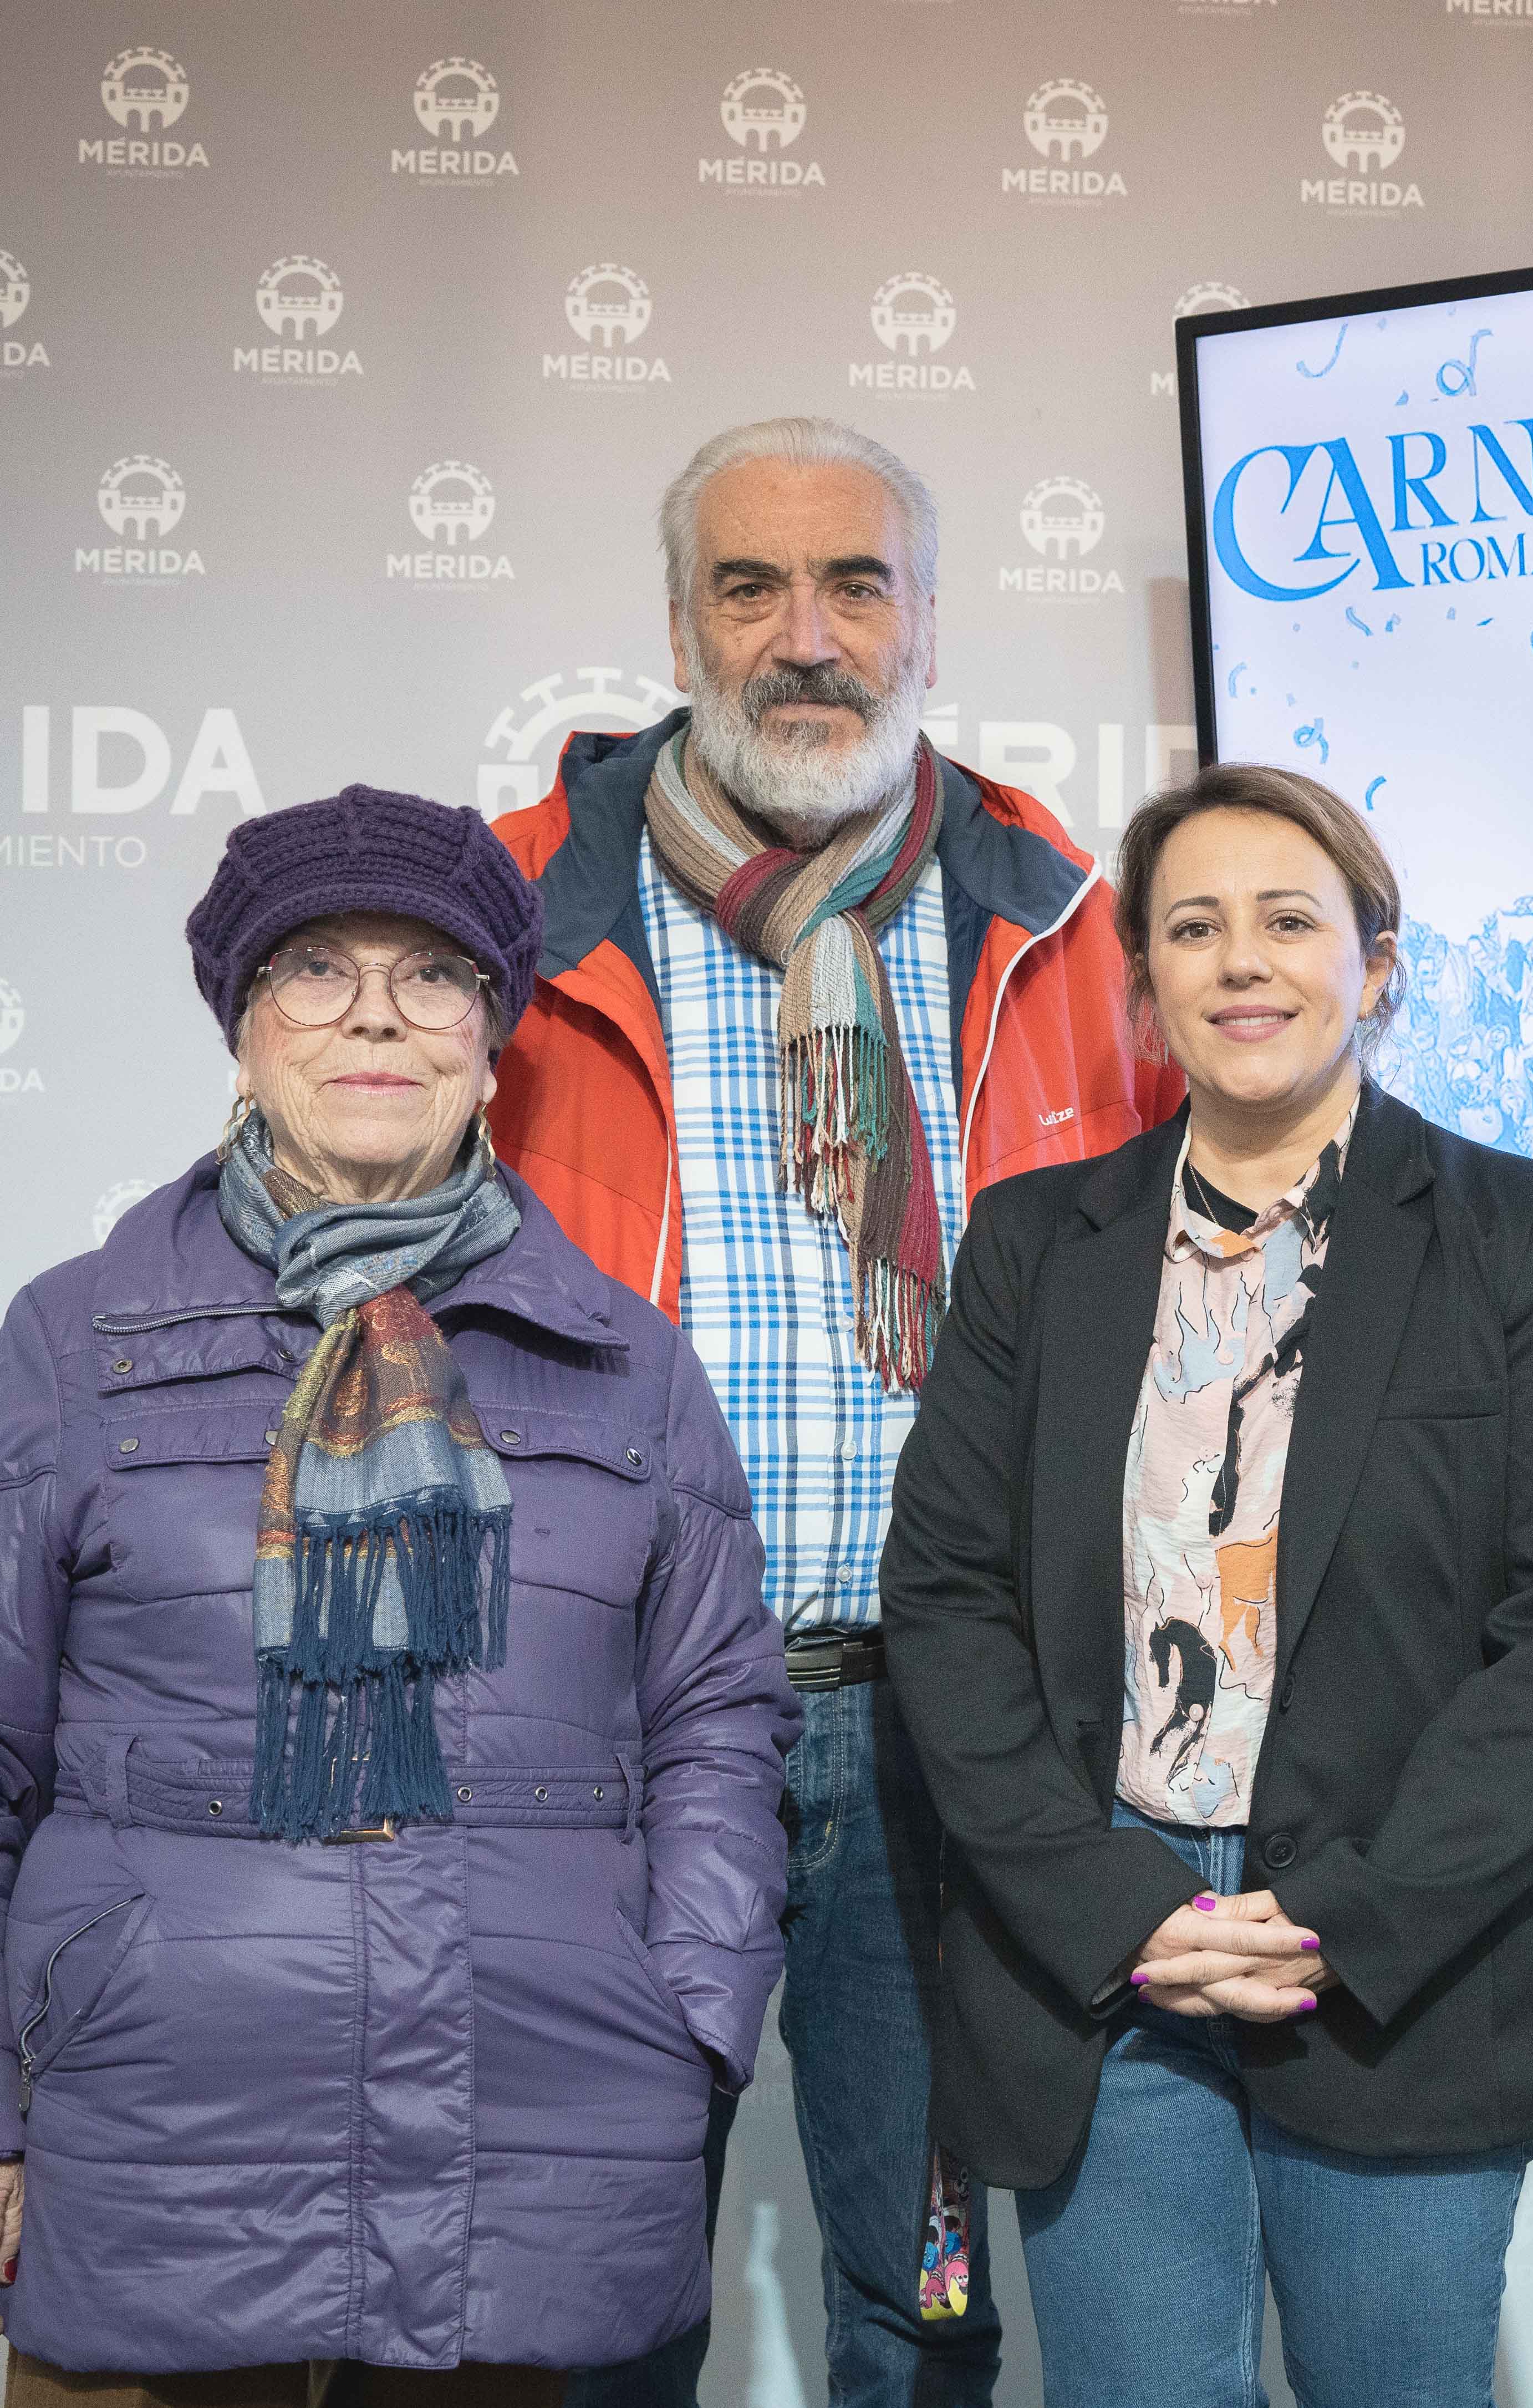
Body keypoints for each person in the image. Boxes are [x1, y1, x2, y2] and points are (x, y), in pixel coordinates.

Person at [0, 787, 797, 2403]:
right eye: (315, 969)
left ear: (490, 1036)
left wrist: (684, 2021)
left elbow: (718, 1727)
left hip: (531, 2165)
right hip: (144, 2157)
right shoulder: (80, 1339)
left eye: (431, 974)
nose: (375, 1014)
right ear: (243, 1030)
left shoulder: (627, 1363)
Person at [490, 416, 1171, 2408]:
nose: (806, 638)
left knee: (925, 2293)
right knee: (584, 2296)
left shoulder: (1078, 924)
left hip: (945, 1726)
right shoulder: (501, 916)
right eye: (751, 588)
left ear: (927, 623)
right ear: (678, 626)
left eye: (855, 585)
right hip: (609, 1720)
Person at [883, 763, 1533, 2407]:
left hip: (1398, 1954)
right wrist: (1119, 1911)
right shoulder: (1032, 1246)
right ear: (1146, 991)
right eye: (1194, 928)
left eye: (1289, 921)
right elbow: (948, 1600)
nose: (1242, 960)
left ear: (1376, 968)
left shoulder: (1516, 1233)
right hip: (1107, 1953)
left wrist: (1342, 1922)